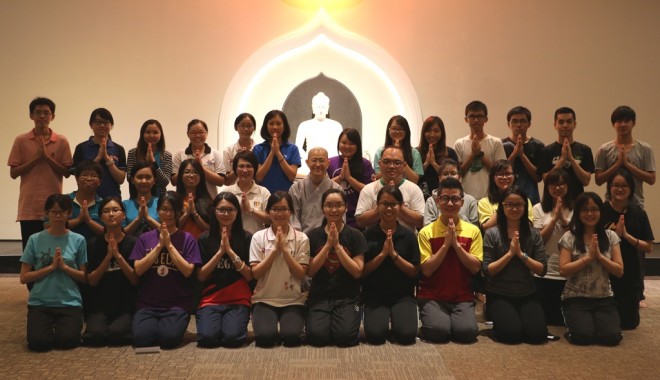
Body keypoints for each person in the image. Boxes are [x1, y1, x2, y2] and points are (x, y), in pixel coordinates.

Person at [130, 191, 202, 349]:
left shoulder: (188, 239)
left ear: (179, 213)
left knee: (169, 340)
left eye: (173, 210)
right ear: (157, 210)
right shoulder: (145, 238)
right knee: (141, 339)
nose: (168, 214)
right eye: (164, 209)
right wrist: (159, 246)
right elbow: (138, 270)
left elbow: (187, 271)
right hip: (148, 303)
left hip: (177, 304)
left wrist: (169, 245)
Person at [418, 177, 482, 343]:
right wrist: (446, 246)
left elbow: (475, 268)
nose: (450, 204)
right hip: (432, 295)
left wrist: (456, 245)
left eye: (455, 199)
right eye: (445, 198)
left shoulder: (473, 231)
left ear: (462, 202)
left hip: (462, 296)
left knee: (467, 333)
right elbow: (426, 270)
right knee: (438, 332)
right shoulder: (426, 232)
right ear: (437, 201)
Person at [19, 194, 87, 351]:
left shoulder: (78, 240)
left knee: (68, 342)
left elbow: (84, 277)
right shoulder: (34, 239)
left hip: (69, 302)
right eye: (53, 211)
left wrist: (64, 267)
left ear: (69, 213)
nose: (58, 215)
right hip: (40, 303)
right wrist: (51, 267)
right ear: (46, 213)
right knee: (38, 344)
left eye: (62, 211)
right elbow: (24, 277)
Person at [482, 188, 548, 344]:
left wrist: (521, 255)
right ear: (502, 207)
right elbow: (487, 270)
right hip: (499, 293)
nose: (514, 209)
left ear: (525, 207)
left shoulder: (533, 234)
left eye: (519, 204)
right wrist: (510, 254)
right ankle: (491, 312)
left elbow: (542, 269)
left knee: (537, 336)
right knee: (511, 335)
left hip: (527, 293)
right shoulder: (492, 234)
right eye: (509, 204)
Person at [559, 192, 623, 346]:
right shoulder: (569, 237)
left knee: (611, 337)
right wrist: (587, 258)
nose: (590, 213)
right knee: (583, 337)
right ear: (578, 213)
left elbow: (619, 271)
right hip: (575, 298)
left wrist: (600, 257)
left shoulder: (611, 236)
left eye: (594, 209)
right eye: (585, 209)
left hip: (604, 298)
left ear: (601, 212)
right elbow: (563, 270)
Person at [8, 97, 72, 251]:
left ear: (53, 116)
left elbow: (67, 172)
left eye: (46, 113)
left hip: (54, 207)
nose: (42, 116)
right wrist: (36, 159)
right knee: (31, 251)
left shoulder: (61, 141)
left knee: (53, 251)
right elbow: (13, 173)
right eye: (38, 112)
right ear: (31, 115)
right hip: (29, 206)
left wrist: (46, 158)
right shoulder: (21, 140)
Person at [305, 189, 366, 347]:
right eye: (329, 205)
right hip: (320, 296)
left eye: (338, 205)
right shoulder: (313, 236)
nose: (334, 210)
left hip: (347, 297)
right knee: (317, 338)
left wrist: (337, 246)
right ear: (322, 208)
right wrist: (327, 245)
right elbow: (310, 271)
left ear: (345, 207)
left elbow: (357, 271)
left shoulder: (355, 235)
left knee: (344, 338)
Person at [249, 192, 309, 347]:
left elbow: (301, 273)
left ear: (291, 212)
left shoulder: (301, 238)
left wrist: (285, 251)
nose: (279, 213)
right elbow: (256, 273)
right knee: (264, 339)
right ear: (268, 212)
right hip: (264, 298)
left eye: (284, 209)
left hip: (293, 300)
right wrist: (275, 250)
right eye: (275, 209)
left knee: (292, 338)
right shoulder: (258, 237)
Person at [362, 185, 419, 345]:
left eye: (393, 204)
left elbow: (413, 272)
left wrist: (393, 255)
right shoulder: (367, 235)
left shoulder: (408, 235)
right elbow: (362, 271)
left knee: (406, 336)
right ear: (377, 206)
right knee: (375, 336)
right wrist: (382, 255)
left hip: (402, 295)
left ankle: (398, 318)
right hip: (375, 295)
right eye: (384, 204)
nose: (389, 208)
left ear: (400, 206)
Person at [196, 193, 253, 347]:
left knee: (232, 339)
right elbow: (201, 276)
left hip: (238, 299)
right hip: (211, 300)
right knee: (207, 339)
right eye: (221, 210)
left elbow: (249, 276)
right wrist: (220, 252)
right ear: (214, 211)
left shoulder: (246, 238)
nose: (226, 214)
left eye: (230, 210)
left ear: (237, 212)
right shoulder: (204, 238)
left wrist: (230, 252)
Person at [602, 169, 654, 328]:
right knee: (607, 323)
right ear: (609, 188)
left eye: (624, 186)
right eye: (615, 185)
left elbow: (649, 247)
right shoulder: (600, 211)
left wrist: (625, 236)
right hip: (605, 272)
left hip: (630, 273)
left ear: (631, 189)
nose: (619, 189)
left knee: (629, 324)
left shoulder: (638, 213)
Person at [84, 197, 138, 346]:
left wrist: (118, 256)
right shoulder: (93, 243)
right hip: (100, 304)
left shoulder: (133, 242)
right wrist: (108, 257)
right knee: (95, 336)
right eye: (106, 211)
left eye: (115, 210)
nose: (111, 214)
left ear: (123, 215)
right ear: (101, 217)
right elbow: (92, 281)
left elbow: (135, 279)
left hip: (125, 304)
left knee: (117, 334)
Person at [532, 169, 574, 325]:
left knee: (563, 320)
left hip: (568, 272)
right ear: (547, 187)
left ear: (568, 186)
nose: (557, 188)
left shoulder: (575, 208)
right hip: (544, 272)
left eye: (561, 184)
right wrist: (554, 219)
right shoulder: (538, 208)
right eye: (553, 184)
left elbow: (576, 240)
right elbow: (539, 241)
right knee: (545, 318)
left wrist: (562, 219)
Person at [595, 105, 655, 208]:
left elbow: (652, 179)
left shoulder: (645, 149)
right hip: (610, 205)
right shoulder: (604, 149)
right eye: (619, 121)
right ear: (613, 124)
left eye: (627, 121)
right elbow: (598, 180)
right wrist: (617, 165)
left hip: (636, 205)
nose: (623, 124)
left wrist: (628, 165)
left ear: (634, 123)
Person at [355, 146, 424, 231]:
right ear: (380, 164)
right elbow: (360, 221)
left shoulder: (414, 189)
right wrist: (380, 208)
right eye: (386, 162)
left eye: (397, 162)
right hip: (375, 241)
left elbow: (421, 221)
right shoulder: (368, 189)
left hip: (405, 241)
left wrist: (398, 206)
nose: (391, 166)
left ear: (404, 166)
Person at [537, 107, 594, 201]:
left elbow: (586, 181)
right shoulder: (546, 151)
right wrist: (562, 159)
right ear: (555, 125)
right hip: (552, 203)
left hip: (577, 202)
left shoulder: (585, 149)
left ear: (575, 124)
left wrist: (571, 158)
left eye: (569, 122)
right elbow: (546, 180)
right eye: (561, 122)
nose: (565, 125)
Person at [454, 100, 506, 200]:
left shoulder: (495, 142)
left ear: (486, 119)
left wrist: (480, 155)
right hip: (465, 197)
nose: (476, 120)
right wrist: (472, 155)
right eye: (472, 116)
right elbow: (458, 174)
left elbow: (500, 173)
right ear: (466, 119)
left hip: (489, 197)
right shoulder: (459, 143)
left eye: (480, 116)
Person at [72, 108, 126, 198]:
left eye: (106, 122)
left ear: (111, 125)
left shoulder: (119, 149)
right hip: (86, 198)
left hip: (112, 199)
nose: (102, 125)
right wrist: (98, 158)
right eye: (98, 122)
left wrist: (107, 159)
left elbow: (120, 179)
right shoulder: (81, 147)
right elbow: (78, 176)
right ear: (91, 125)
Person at [327, 128, 375, 229]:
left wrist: (349, 178)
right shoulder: (330, 162)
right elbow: (323, 187)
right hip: (332, 216)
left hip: (357, 218)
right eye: (344, 143)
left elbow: (369, 190)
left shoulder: (365, 164)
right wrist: (340, 178)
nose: (347, 146)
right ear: (338, 143)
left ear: (358, 145)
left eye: (352, 143)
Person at [289, 147, 343, 234]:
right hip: (302, 239)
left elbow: (340, 218)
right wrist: (299, 239)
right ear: (307, 162)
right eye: (314, 160)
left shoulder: (337, 189)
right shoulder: (296, 188)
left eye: (321, 160)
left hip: (330, 236)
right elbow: (293, 217)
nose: (318, 164)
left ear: (328, 163)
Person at [218, 151, 271, 234]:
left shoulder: (263, 192)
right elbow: (219, 217)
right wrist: (237, 211)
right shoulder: (227, 192)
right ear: (235, 169)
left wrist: (251, 210)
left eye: (249, 166)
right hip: (232, 239)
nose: (245, 170)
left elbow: (271, 219)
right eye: (241, 166)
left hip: (257, 240)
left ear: (255, 169)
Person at [171, 119, 226, 197]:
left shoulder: (215, 154)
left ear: (206, 133)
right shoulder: (180, 154)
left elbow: (221, 181)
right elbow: (173, 181)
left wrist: (201, 168)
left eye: (201, 132)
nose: (197, 135)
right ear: (188, 134)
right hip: (184, 200)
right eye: (193, 132)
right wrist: (186, 168)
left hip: (209, 201)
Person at [502, 106, 544, 204]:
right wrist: (515, 153)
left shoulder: (538, 145)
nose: (519, 125)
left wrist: (522, 155)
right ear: (509, 124)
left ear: (529, 124)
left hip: (531, 198)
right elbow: (500, 173)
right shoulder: (501, 145)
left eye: (523, 121)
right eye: (514, 121)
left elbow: (538, 178)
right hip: (506, 198)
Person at [295, 92, 344, 174]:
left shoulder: (336, 126)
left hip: (331, 161)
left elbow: (340, 149)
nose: (321, 110)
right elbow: (298, 148)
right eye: (318, 107)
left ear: (328, 108)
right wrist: (309, 159)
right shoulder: (304, 125)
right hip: (310, 162)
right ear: (313, 108)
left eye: (323, 107)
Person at [253, 110, 301, 193]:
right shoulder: (258, 149)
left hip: (285, 196)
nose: (275, 127)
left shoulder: (293, 148)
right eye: (271, 124)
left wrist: (278, 153)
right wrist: (272, 152)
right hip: (263, 195)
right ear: (266, 126)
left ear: (284, 126)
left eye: (278, 123)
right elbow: (259, 177)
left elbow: (291, 176)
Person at [478, 159, 533, 231]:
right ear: (493, 178)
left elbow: (529, 226)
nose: (504, 177)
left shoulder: (524, 200)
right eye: (500, 174)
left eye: (508, 174)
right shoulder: (484, 202)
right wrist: (504, 203)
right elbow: (486, 228)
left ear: (514, 177)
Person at [424, 159, 478, 226]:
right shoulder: (431, 201)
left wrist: (455, 215)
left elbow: (475, 228)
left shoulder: (470, 200)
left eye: (453, 173)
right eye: (445, 174)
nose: (449, 177)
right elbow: (427, 226)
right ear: (439, 178)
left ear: (460, 177)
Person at [126, 119, 173, 197]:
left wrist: (153, 162)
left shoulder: (166, 155)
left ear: (161, 135)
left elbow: (165, 182)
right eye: (148, 132)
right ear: (142, 134)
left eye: (155, 132)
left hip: (160, 199)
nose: (151, 135)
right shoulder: (133, 153)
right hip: (137, 197)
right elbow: (129, 178)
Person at [417, 116, 459, 199]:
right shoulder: (416, 152)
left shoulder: (450, 153)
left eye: (436, 131)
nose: (432, 134)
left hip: (445, 197)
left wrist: (433, 163)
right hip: (420, 197)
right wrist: (426, 163)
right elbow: (413, 178)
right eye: (428, 131)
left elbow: (453, 179)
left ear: (442, 133)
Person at [373, 115, 423, 184]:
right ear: (389, 130)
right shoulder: (380, 151)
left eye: (401, 129)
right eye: (394, 129)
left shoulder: (414, 153)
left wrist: (399, 156)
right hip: (385, 190)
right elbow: (378, 178)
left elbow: (415, 180)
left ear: (406, 132)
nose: (397, 132)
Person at [175, 159, 212, 239]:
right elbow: (173, 228)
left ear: (201, 176)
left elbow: (210, 230)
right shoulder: (175, 200)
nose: (191, 175)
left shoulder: (208, 201)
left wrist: (194, 213)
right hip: (180, 246)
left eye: (195, 172)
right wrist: (187, 213)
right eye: (187, 172)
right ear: (181, 175)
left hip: (201, 247)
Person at [67, 160, 104, 238]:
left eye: (93, 176)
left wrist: (88, 221)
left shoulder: (104, 204)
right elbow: (49, 226)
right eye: (84, 175)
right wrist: (78, 220)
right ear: (77, 179)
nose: (89, 179)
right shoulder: (64, 200)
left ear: (100, 181)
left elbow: (108, 233)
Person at [122, 161, 160, 236]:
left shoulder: (161, 202)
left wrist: (148, 218)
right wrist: (138, 219)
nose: (144, 181)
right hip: (132, 247)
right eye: (139, 177)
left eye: (148, 177)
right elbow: (122, 234)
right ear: (132, 180)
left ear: (154, 180)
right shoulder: (124, 205)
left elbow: (168, 231)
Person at [223, 113, 256, 185]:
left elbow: (260, 177)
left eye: (249, 126)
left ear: (254, 128)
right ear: (236, 127)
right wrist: (239, 160)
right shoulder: (229, 150)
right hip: (233, 193)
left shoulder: (258, 149)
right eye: (242, 126)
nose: (246, 129)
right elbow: (226, 181)